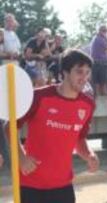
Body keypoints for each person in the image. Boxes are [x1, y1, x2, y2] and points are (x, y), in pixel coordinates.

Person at [8, 49, 99, 203]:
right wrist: (21, 157)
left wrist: (89, 155)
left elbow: (80, 138)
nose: (84, 78)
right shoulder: (39, 97)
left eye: (87, 72)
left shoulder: (88, 104)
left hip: (63, 185)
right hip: (31, 184)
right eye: (79, 72)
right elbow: (9, 127)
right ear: (65, 72)